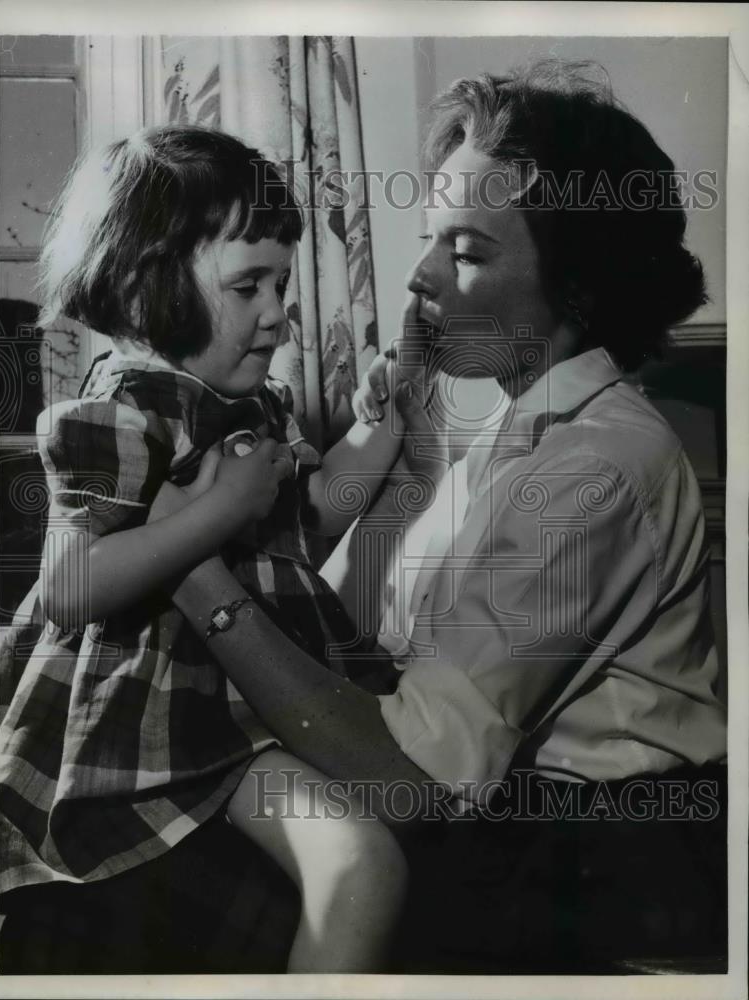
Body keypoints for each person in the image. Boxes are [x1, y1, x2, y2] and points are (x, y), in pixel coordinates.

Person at [149, 61, 728, 972]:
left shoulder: (594, 466)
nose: (418, 277)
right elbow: (331, 638)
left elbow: (409, 781)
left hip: (594, 869)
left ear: (577, 285)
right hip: (497, 837)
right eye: (429, 241)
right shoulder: (510, 429)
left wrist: (190, 576)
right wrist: (408, 467)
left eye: (464, 252)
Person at [0, 124, 408, 974]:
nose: (276, 313)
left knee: (365, 864)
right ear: (147, 287)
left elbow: (312, 522)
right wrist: (219, 511)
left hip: (256, 706)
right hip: (155, 728)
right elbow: (70, 585)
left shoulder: (256, 406)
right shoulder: (121, 409)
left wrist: (378, 428)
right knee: (361, 865)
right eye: (247, 285)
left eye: (282, 283)